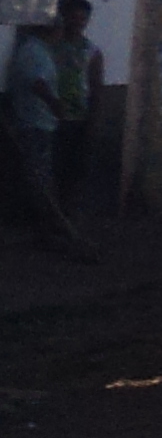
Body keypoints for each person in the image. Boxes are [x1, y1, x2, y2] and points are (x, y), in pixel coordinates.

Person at [5, 17, 93, 258]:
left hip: (40, 122)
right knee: (39, 178)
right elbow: (38, 83)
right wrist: (55, 105)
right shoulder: (34, 52)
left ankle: (48, 226)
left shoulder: (39, 50)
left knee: (41, 176)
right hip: (34, 122)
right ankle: (46, 227)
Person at [45, 0, 103, 216]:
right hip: (50, 117)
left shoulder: (92, 51)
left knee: (73, 171)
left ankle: (66, 214)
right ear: (65, 17)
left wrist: (93, 121)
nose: (78, 22)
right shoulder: (49, 47)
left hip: (79, 118)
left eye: (83, 18)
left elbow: (96, 88)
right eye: (74, 17)